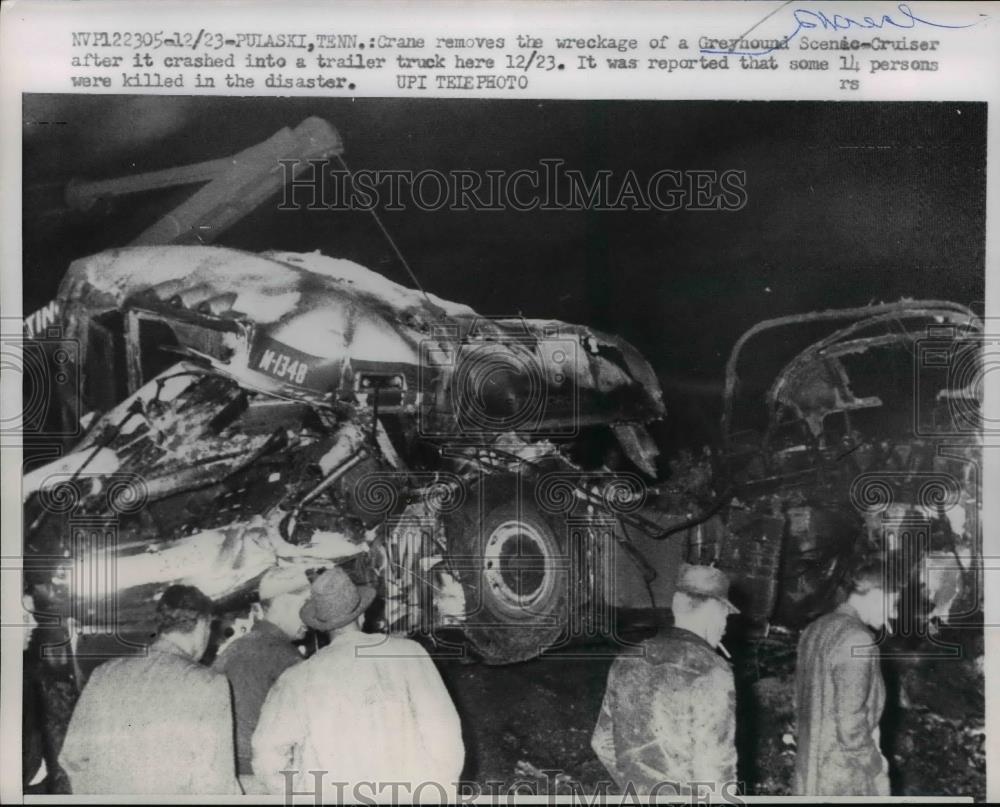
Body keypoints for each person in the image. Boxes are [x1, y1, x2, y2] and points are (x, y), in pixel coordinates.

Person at [252, 566, 465, 799]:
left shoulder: (296, 679)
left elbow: (266, 757)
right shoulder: (410, 654)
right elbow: (445, 734)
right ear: (362, 614)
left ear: (320, 624)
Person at [58, 584, 240, 795]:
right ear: (201, 624)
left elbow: (72, 757)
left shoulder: (104, 674)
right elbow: (216, 783)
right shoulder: (208, 684)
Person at [591, 563, 739, 796]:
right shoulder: (711, 671)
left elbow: (601, 742)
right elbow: (714, 772)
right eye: (726, 616)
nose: (725, 629)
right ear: (714, 611)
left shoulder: (627, 659)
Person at [793, 558, 900, 796]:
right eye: (893, 603)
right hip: (844, 779)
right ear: (877, 595)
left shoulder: (814, 629)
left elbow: (798, 703)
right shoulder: (858, 639)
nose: (893, 614)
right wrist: (876, 768)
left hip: (809, 773)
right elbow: (851, 726)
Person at [213, 566, 310, 793]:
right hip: (265, 781)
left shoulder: (232, 649)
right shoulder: (285, 657)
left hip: (228, 776)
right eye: (305, 604)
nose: (311, 614)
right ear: (284, 602)